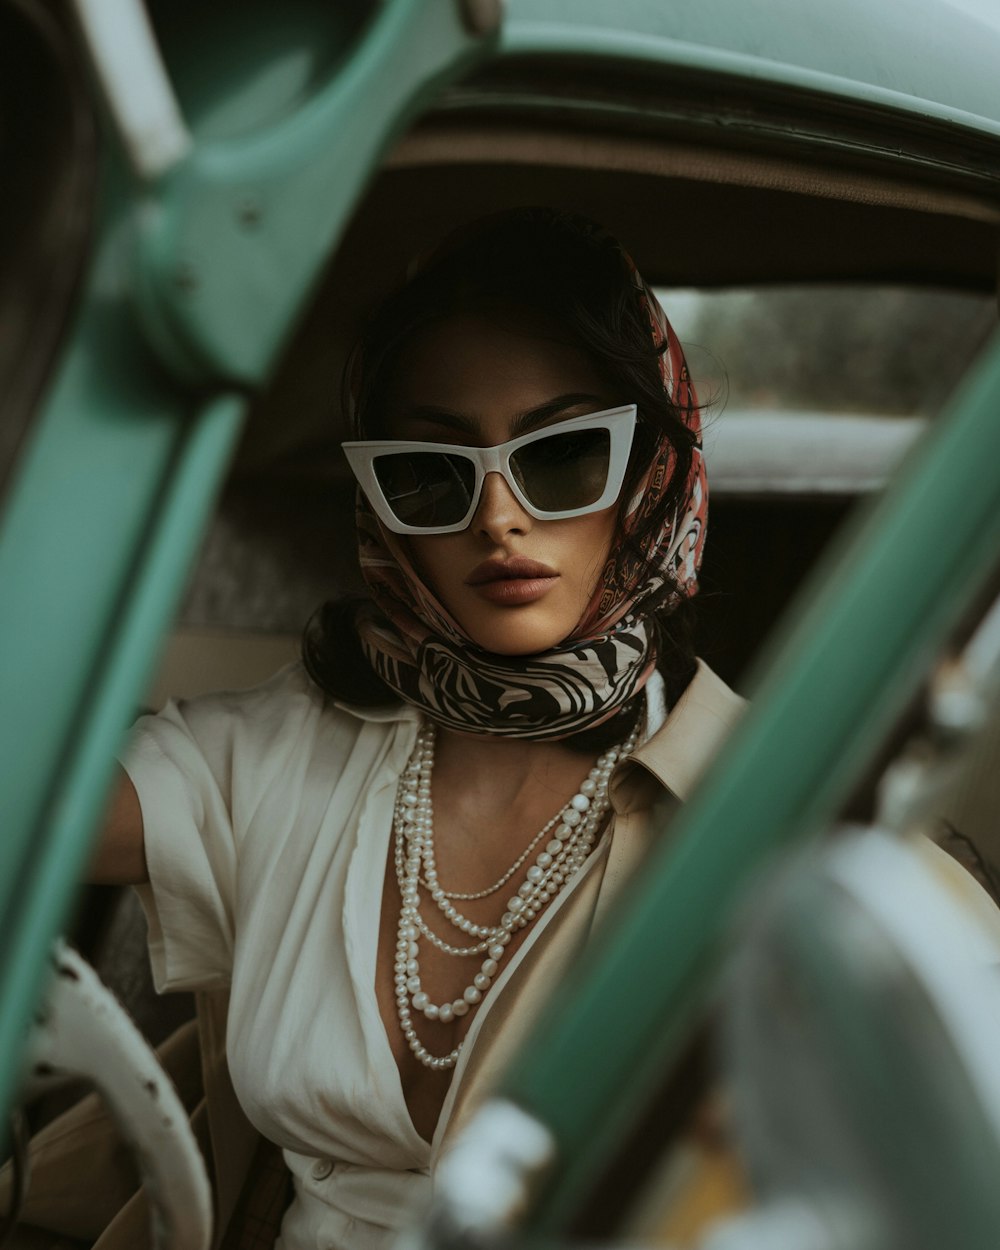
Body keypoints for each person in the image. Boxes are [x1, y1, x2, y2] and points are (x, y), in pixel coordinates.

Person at [89, 208, 744, 1250]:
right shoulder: (279, 747)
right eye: (430, 471)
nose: (496, 514)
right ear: (380, 506)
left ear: (653, 474)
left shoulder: (772, 798)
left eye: (564, 453)